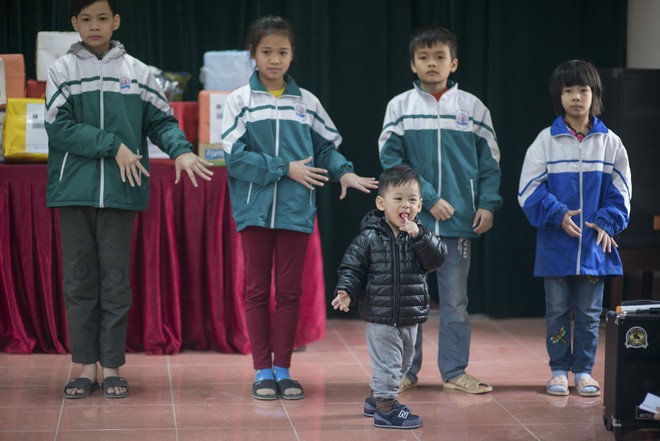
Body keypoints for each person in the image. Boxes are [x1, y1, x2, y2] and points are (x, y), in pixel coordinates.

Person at [45, 0, 214, 399]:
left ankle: (113, 366)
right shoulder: (62, 71)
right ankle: (85, 366)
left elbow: (160, 121)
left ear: (116, 21)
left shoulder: (138, 73)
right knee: (80, 280)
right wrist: (113, 146)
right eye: (85, 19)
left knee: (117, 282)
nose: (94, 25)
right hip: (74, 191)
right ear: (75, 23)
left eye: (102, 18)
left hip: (123, 192)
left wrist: (181, 150)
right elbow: (58, 127)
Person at [221, 15, 378, 401]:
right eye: (267, 51)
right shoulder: (239, 101)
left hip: (296, 211)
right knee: (257, 290)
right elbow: (234, 158)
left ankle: (284, 370)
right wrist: (283, 168)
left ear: (293, 55)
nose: (275, 59)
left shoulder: (306, 102)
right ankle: (261, 370)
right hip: (253, 211)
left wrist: (343, 172)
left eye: (283, 52)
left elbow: (327, 148)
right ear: (252, 54)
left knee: (289, 292)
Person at [379, 26, 501, 394]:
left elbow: (490, 162)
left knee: (455, 302)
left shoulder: (473, 108)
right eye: (423, 58)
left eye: (439, 57)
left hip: (459, 224)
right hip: (408, 224)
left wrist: (488, 204)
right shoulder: (399, 107)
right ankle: (405, 372)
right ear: (413, 65)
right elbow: (390, 161)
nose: (432, 64)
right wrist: (428, 199)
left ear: (454, 63)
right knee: (407, 303)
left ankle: (453, 372)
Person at [518, 59, 632, 397]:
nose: (576, 97)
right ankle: (557, 370)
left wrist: (607, 221)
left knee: (588, 313)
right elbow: (528, 189)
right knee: (556, 311)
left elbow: (623, 190)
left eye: (582, 90)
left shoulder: (611, 143)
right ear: (559, 97)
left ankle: (583, 371)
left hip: (595, 248)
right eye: (568, 91)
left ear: (594, 94)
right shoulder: (545, 141)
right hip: (555, 247)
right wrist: (558, 214)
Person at [332, 165, 447, 429]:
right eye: (399, 199)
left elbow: (437, 259)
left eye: (413, 200)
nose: (406, 205)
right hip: (380, 316)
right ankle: (385, 409)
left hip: (410, 315)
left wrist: (420, 238)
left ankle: (374, 400)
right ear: (382, 203)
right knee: (389, 363)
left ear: (420, 204)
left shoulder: (420, 234)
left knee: (405, 362)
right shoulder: (369, 237)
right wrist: (346, 290)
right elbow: (352, 267)